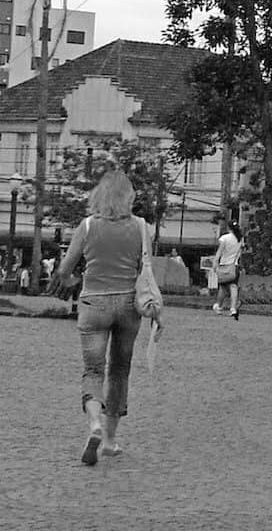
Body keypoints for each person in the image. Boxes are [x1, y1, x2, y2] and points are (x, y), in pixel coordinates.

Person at [50, 169, 162, 466]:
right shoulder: (140, 227)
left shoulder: (86, 226)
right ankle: (110, 441)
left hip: (93, 304)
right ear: (129, 197)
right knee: (119, 371)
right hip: (128, 304)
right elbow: (145, 267)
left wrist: (76, 282)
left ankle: (95, 424)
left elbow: (64, 270)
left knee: (93, 371)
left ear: (100, 195)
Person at [212, 219, 243, 320]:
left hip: (225, 265)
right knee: (233, 287)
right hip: (235, 265)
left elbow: (220, 252)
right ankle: (233, 308)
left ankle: (218, 306)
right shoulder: (240, 238)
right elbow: (240, 252)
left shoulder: (224, 238)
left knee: (223, 287)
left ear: (229, 227)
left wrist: (215, 262)